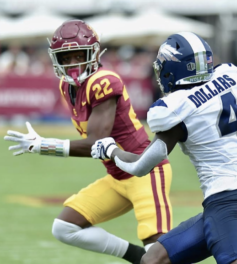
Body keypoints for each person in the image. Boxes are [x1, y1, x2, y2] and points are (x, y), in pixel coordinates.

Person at [91, 31, 237, 264]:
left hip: (229, 200)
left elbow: (139, 166)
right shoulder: (228, 78)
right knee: (153, 260)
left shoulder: (177, 108)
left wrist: (110, 149)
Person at [3, 20, 172, 264]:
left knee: (157, 255)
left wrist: (42, 145)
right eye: (66, 58)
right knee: (64, 227)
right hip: (117, 176)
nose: (73, 64)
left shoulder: (103, 81)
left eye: (78, 55)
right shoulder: (66, 87)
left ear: (93, 53)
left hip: (144, 171)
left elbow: (97, 142)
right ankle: (135, 257)